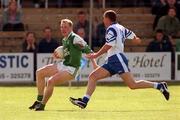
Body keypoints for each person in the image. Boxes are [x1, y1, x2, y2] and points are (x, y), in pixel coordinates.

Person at [70, 10, 170, 109]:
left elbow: (108, 45)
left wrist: (96, 55)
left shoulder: (111, 29)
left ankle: (159, 86)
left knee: (132, 85)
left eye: (104, 18)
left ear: (107, 19)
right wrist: (136, 39)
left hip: (117, 59)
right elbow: (132, 36)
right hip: (112, 60)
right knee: (93, 76)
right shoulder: (120, 27)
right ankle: (84, 101)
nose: (103, 20)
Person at [29, 19, 93, 111]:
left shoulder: (75, 38)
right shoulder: (64, 39)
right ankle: (38, 101)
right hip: (64, 64)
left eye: (65, 27)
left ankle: (42, 105)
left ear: (71, 28)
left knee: (50, 81)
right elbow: (68, 54)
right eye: (61, 27)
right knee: (39, 73)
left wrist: (94, 65)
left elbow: (88, 50)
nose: (63, 29)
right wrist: (59, 56)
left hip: (72, 69)